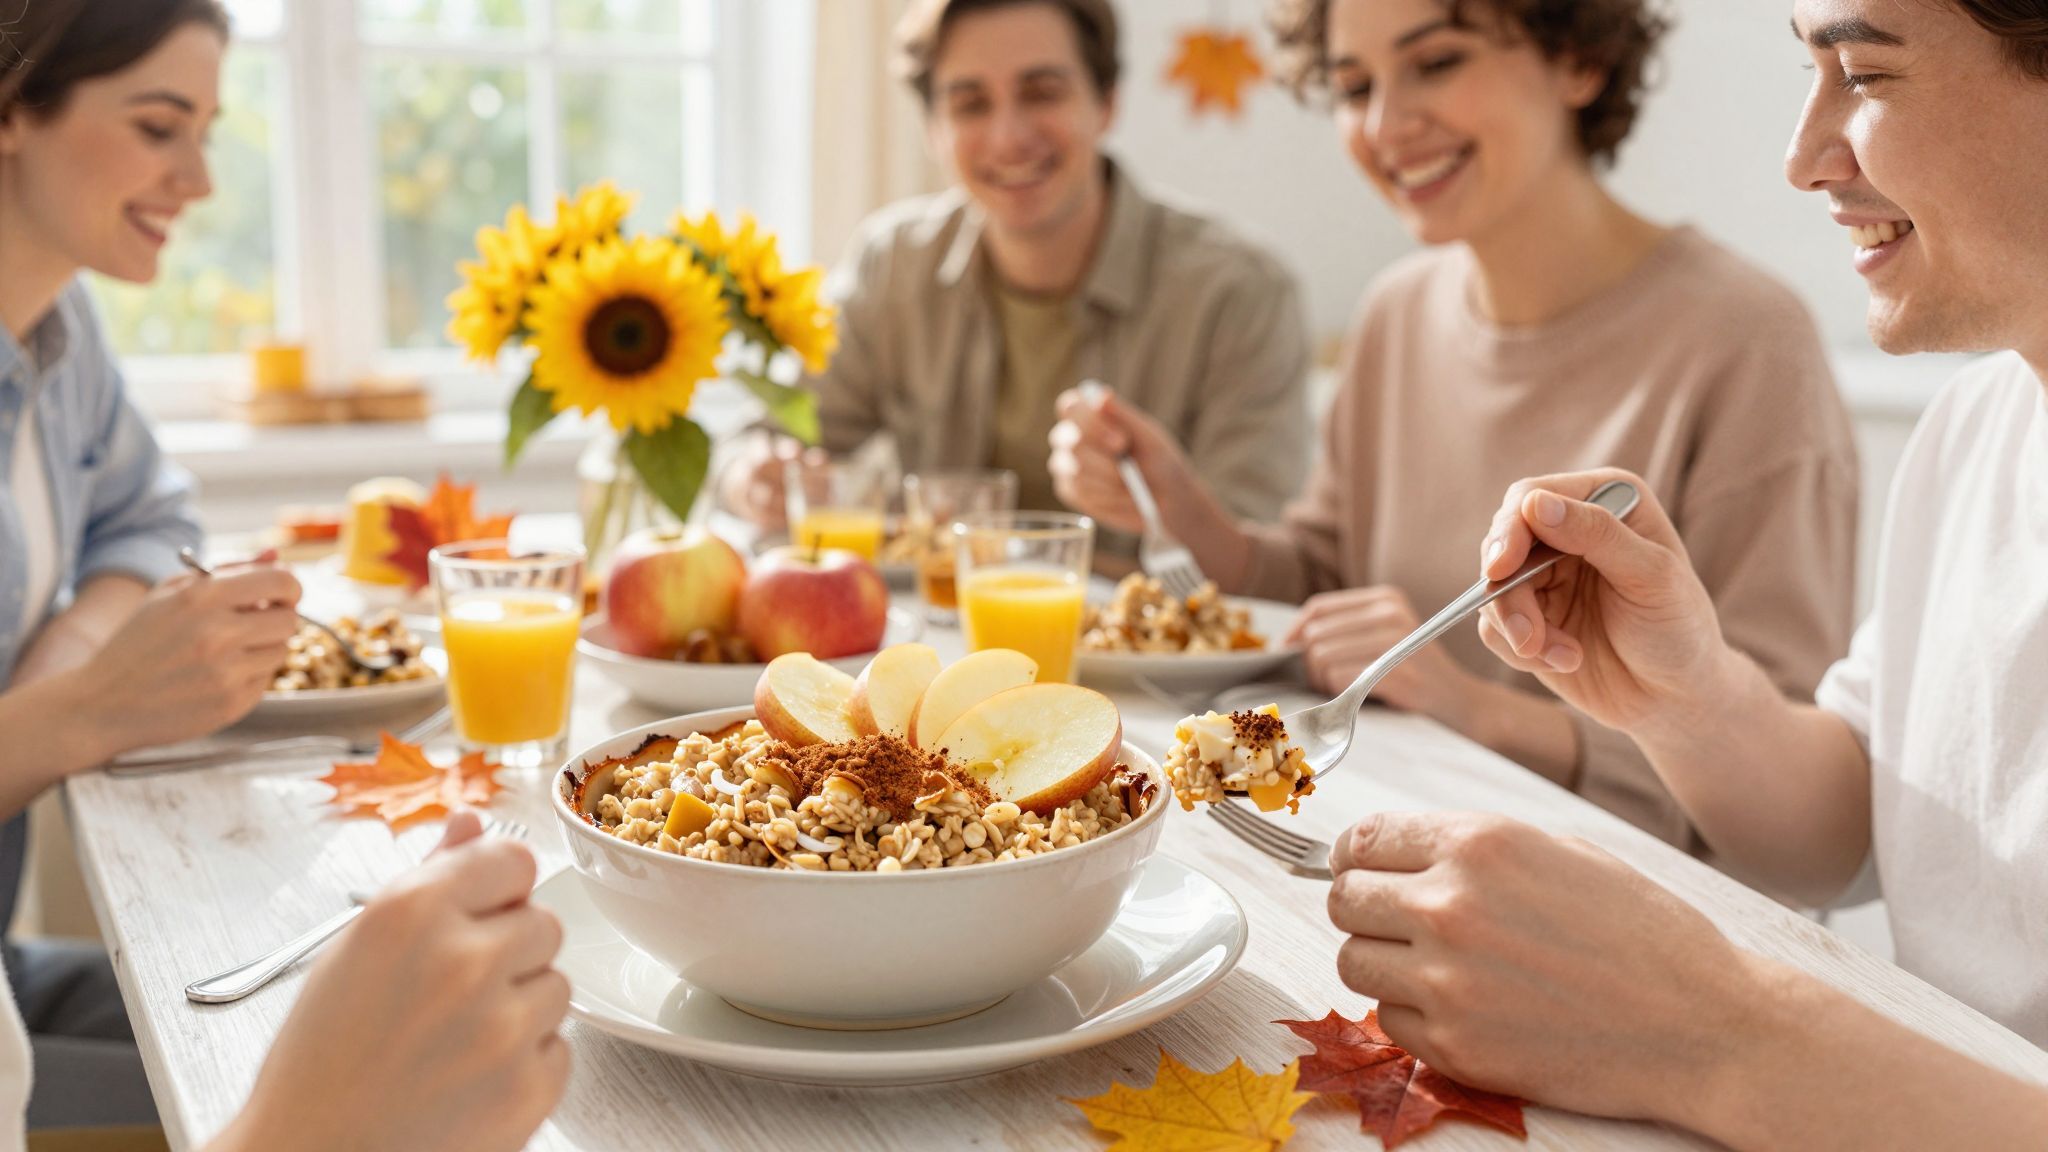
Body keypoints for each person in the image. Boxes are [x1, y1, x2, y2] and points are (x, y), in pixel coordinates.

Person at [1322, 0, 2048, 1144]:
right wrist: (1687, 698)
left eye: (1859, 72)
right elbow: (1845, 821)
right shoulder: (1979, 426)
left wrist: (1714, 1032)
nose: (1803, 157)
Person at [1050, 0, 1858, 849]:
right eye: (1353, 84)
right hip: (1391, 846)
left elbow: (1786, 797)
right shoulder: (1397, 311)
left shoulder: (1747, 341)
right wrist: (1181, 510)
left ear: (1579, 60)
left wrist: (1470, 706)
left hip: (1630, 910)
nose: (1385, 124)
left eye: (1436, 62)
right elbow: (1325, 585)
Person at [0, 3, 568, 1147]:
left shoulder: (57, 331)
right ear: (14, 103)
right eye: (160, 126)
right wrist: (78, 715)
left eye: (206, 128)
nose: (199, 179)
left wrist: (64, 651)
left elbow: (145, 513)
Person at [718, 0, 1312, 531]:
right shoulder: (893, 265)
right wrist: (756, 478)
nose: (1008, 137)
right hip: (936, 648)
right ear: (934, 132)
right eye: (970, 104)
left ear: (1106, 103)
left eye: (1042, 92)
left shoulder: (1240, 294)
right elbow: (755, 442)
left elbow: (1257, 555)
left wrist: (1164, 514)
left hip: (1147, 652)